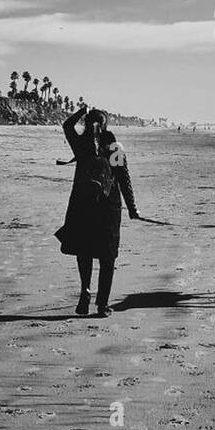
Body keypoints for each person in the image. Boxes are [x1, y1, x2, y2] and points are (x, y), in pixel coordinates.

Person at [55, 105, 139, 317]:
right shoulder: (113, 145)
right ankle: (102, 305)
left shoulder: (81, 144)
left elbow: (67, 125)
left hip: (82, 203)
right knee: (107, 256)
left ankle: (86, 291)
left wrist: (81, 112)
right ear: (106, 124)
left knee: (84, 252)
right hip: (108, 206)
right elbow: (123, 176)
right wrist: (132, 207)